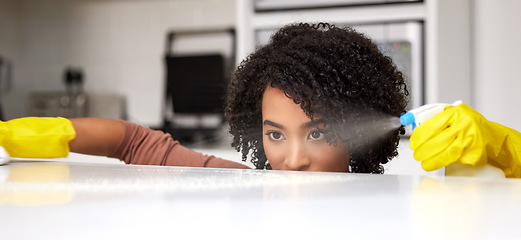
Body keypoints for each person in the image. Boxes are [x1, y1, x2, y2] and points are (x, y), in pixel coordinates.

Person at [2, 23, 519, 176]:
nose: (291, 160)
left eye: (317, 132)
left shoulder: (410, 190)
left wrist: (499, 149)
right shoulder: (246, 187)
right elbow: (137, 142)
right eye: (276, 134)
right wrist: (54, 133)